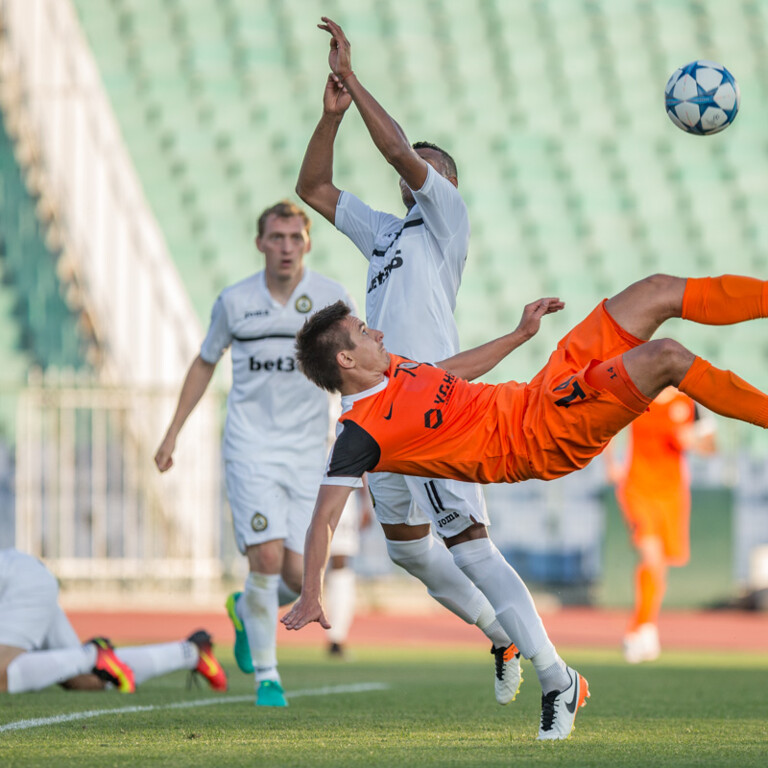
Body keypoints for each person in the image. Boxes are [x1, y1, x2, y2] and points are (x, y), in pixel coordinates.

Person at [284, 272, 768, 739]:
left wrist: (519, 335)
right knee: (665, 357)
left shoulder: (392, 366)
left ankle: (528, 654)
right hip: (544, 437)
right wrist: (311, 591)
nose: (378, 331)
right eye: (365, 332)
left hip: (541, 392)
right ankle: (556, 678)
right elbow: (325, 517)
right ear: (346, 360)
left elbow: (449, 373)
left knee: (656, 290)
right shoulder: (359, 432)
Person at [296, 16, 528, 706]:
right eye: (414, 164)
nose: (410, 167)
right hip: (377, 403)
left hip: (432, 404)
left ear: (442, 179)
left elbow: (398, 149)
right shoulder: (388, 234)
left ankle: (550, 664)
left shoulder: (447, 217)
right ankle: (501, 633)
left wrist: (354, 78)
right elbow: (313, 188)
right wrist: (330, 115)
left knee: (470, 539)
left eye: (425, 164)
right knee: (404, 548)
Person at [155, 201, 357, 707]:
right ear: (260, 243)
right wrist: (173, 432)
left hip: (312, 452)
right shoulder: (235, 301)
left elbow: (355, 367)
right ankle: (269, 677)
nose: (286, 247)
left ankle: (245, 610)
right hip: (251, 448)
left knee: (296, 575)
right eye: (277, 237)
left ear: (308, 242)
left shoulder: (332, 299)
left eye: (295, 237)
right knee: (265, 559)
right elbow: (204, 363)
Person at [0, 548, 226, 694]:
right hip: (24, 574)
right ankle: (191, 652)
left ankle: (93, 654)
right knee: (84, 680)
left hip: (19, 580)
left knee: (3, 675)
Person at [607, 388, 716, 663]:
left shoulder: (689, 403)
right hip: (638, 487)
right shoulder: (637, 396)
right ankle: (638, 631)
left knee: (660, 566)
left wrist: (693, 443)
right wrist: (612, 464)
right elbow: (608, 428)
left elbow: (711, 446)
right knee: (651, 557)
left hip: (672, 494)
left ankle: (645, 626)